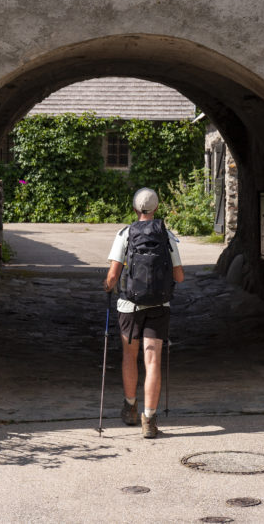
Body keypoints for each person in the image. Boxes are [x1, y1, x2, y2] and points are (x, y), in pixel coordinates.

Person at [104, 187, 184, 438]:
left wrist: (108, 287)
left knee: (130, 357)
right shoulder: (167, 236)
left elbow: (113, 276)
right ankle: (149, 419)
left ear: (135, 209)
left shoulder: (124, 234)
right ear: (157, 208)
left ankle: (130, 407)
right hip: (159, 307)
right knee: (153, 361)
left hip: (129, 306)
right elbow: (179, 276)